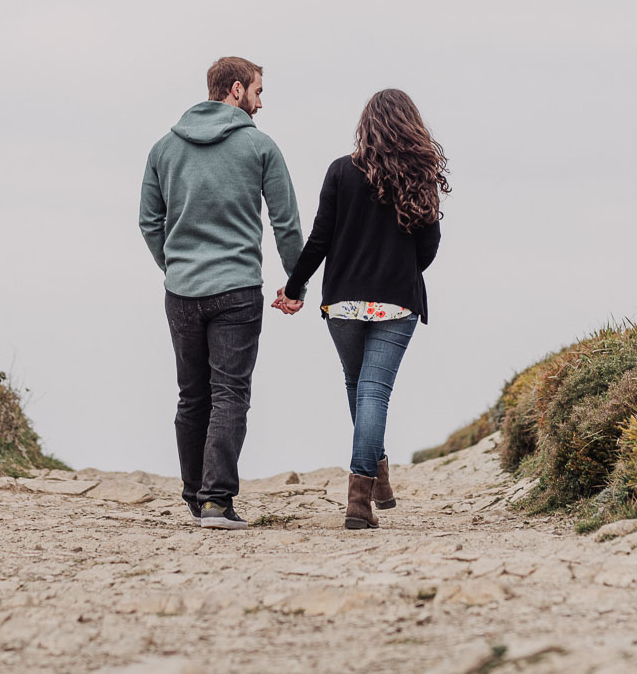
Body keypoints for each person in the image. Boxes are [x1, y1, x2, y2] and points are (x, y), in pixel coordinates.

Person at [140, 56, 303, 530]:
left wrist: (174, 267)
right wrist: (295, 283)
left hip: (181, 290)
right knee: (229, 394)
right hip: (236, 288)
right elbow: (286, 223)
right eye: (257, 91)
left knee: (191, 396)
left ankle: (195, 497)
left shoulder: (163, 148)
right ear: (236, 89)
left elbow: (150, 221)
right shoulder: (260, 146)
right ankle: (215, 502)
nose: (259, 100)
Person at [277, 88, 448, 530]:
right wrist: (399, 268)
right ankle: (364, 492)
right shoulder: (419, 175)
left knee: (359, 387)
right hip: (397, 302)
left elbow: (320, 239)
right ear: (411, 125)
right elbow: (429, 246)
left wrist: (294, 287)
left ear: (366, 125)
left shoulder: (340, 172)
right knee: (372, 392)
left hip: (344, 301)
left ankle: (371, 484)